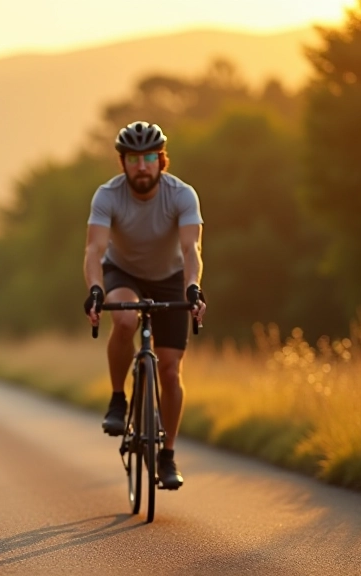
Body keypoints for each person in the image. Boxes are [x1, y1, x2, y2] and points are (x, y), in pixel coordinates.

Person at [83, 121, 207, 490]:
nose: (142, 166)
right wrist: (94, 290)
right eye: (134, 158)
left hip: (170, 276)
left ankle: (167, 454)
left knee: (170, 372)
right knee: (124, 321)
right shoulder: (108, 195)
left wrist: (193, 288)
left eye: (149, 157)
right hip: (123, 273)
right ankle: (119, 399)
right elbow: (94, 249)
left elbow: (191, 250)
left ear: (161, 160)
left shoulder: (182, 194)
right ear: (123, 162)